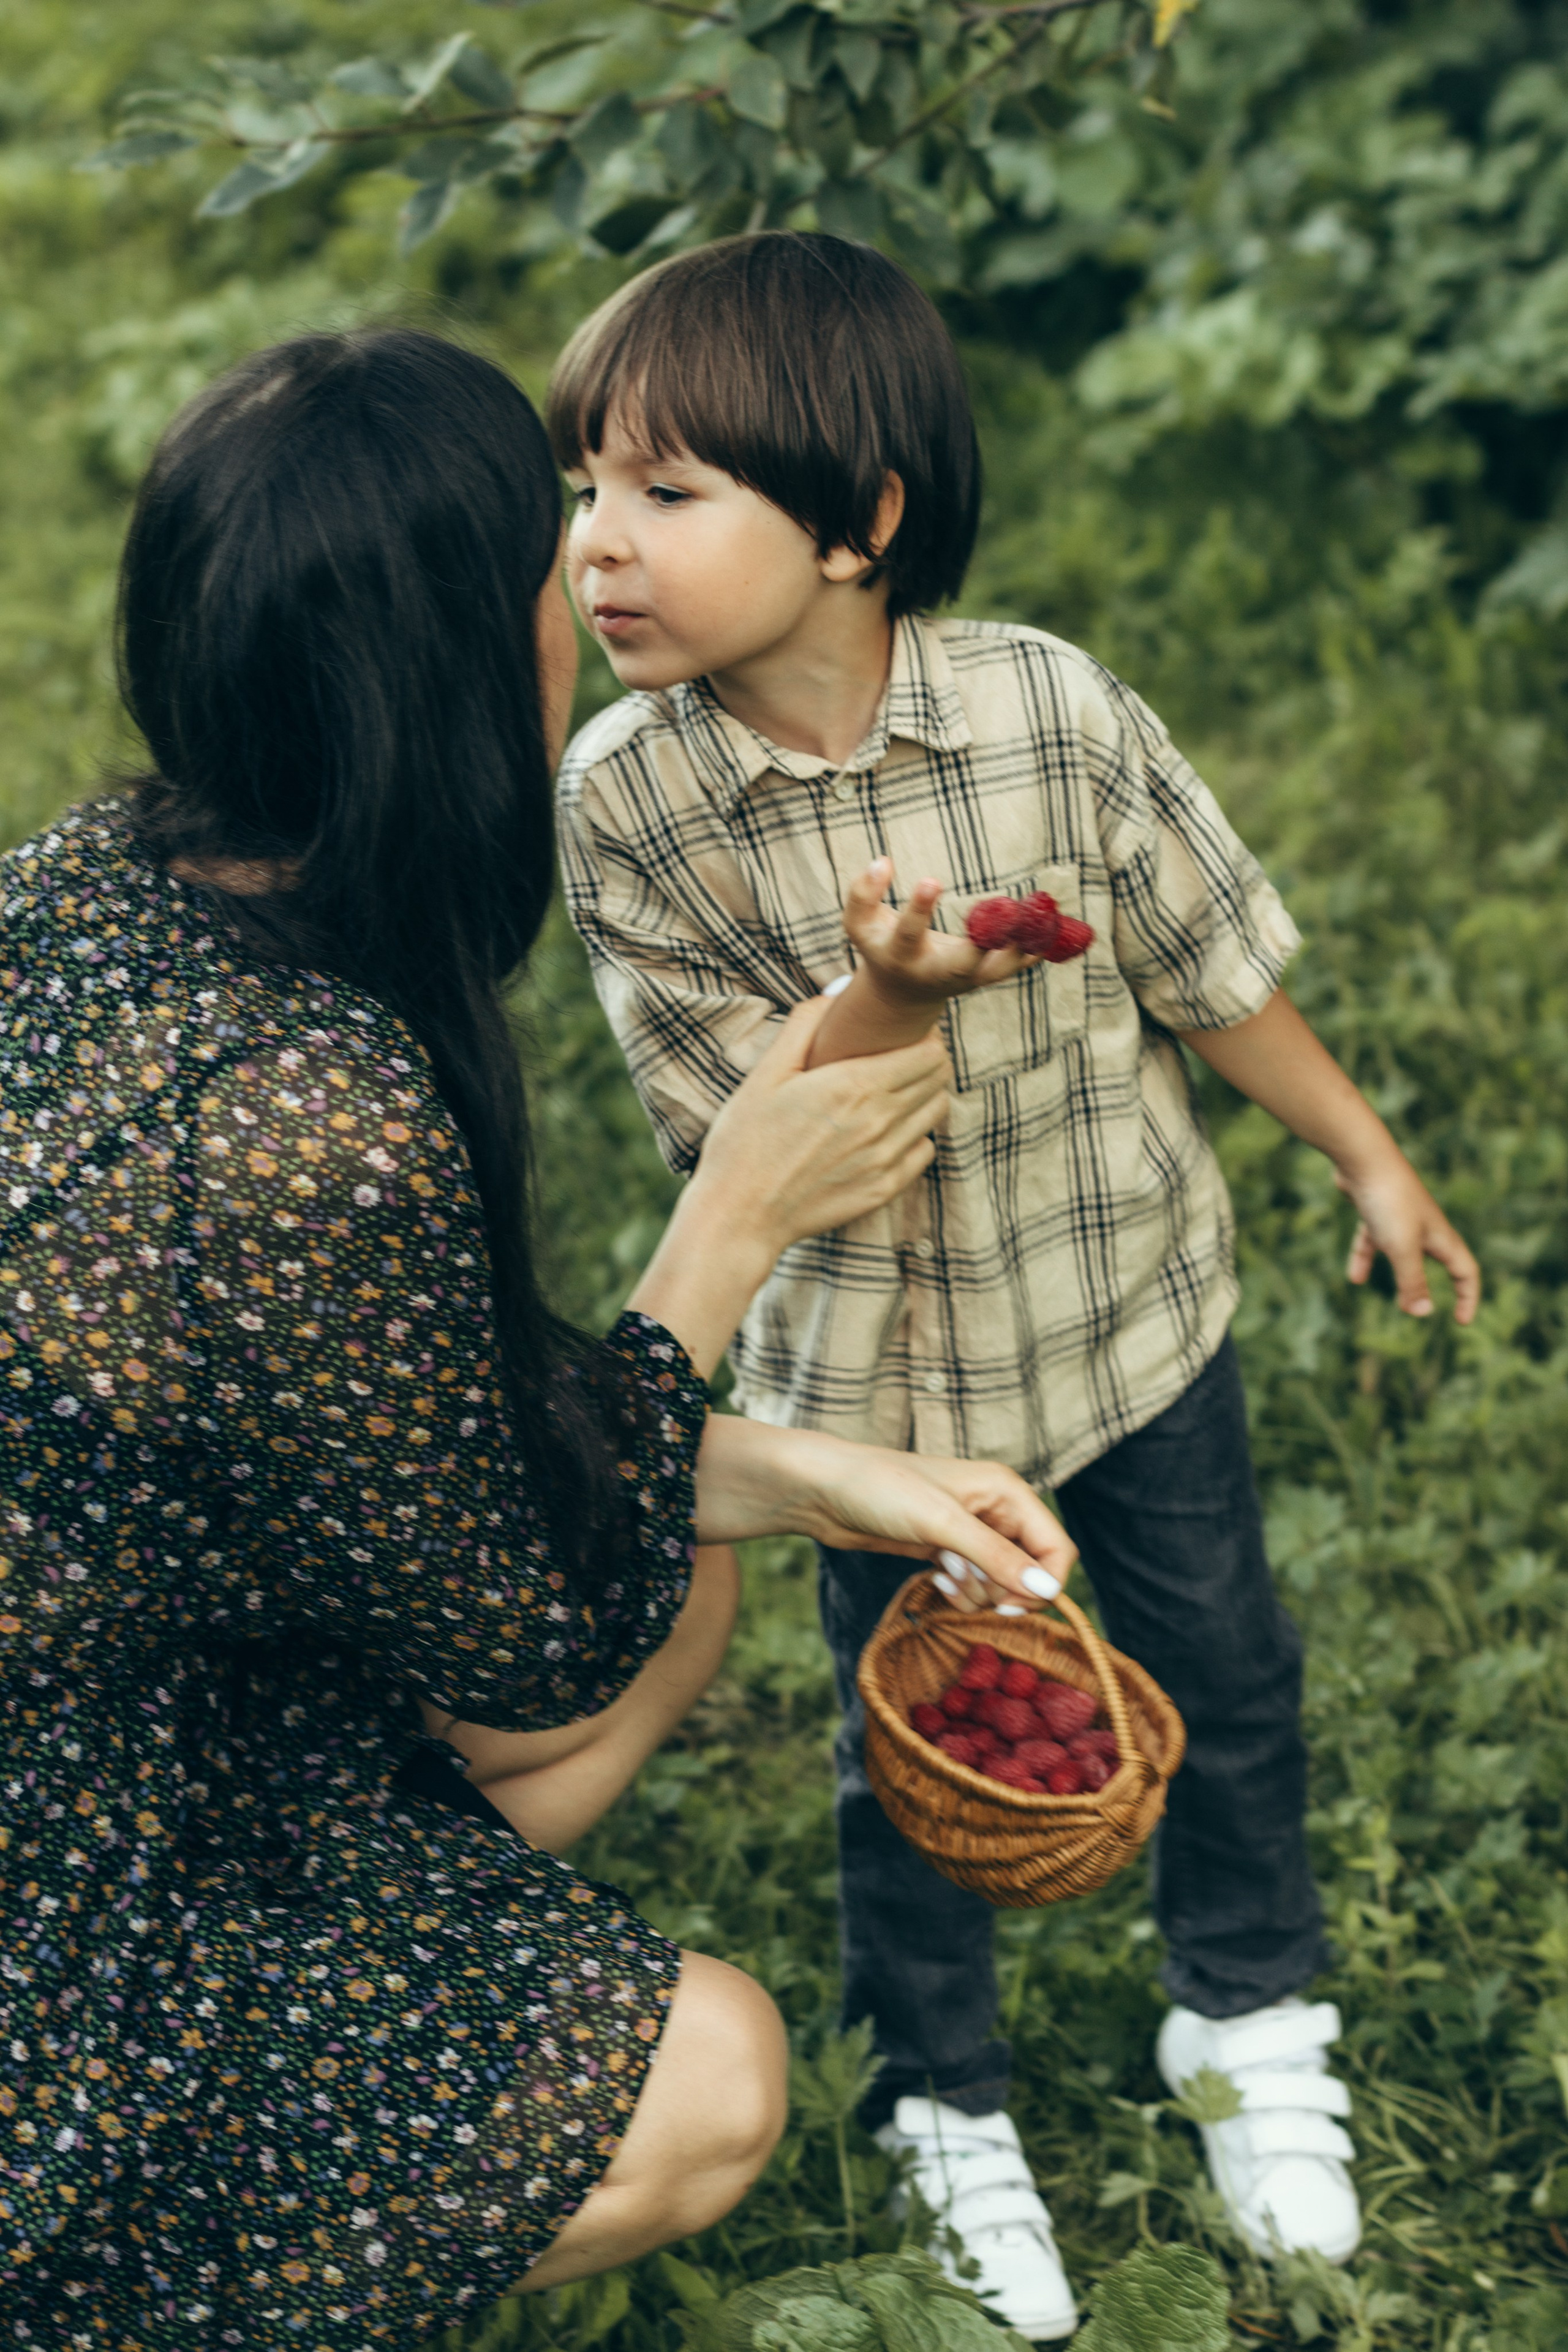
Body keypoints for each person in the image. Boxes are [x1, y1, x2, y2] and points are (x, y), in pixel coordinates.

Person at [0, 328, 1082, 2351]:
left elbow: (393, 1432)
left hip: (123, 1686)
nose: (595, 571)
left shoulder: (91, 880)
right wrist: (731, 1225)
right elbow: (529, 1632)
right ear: (459, 659)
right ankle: (131, 2239)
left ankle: (346, 1967)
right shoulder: (306, 1120)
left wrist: (816, 1473)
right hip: (61, 1884)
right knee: (714, 2076)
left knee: (684, 1579)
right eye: (555, 539)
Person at [549, 232, 1483, 2338]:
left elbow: (1202, 960)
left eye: (666, 493)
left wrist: (1363, 1148)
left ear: (862, 524)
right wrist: (880, 997)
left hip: (1133, 1321)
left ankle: (1245, 2010)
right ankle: (941, 2092)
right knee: (921, 1752)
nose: (599, 547)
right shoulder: (634, 811)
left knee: (1223, 1675)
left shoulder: (1045, 710)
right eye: (582, 489)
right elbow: (756, 1148)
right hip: (878, 1411)